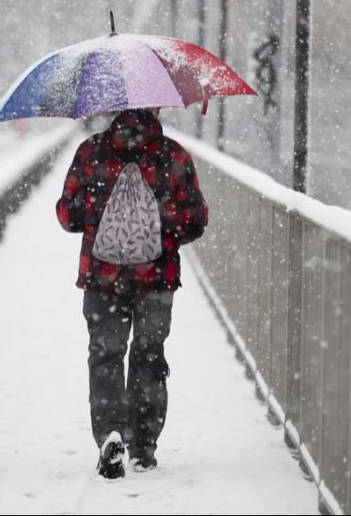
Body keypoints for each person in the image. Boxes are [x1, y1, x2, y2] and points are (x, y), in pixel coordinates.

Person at [55, 107, 208, 479]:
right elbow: (195, 221)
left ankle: (110, 432)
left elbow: (67, 216)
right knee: (149, 356)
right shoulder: (174, 155)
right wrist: (160, 225)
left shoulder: (91, 152)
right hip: (156, 278)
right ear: (156, 106)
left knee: (106, 356)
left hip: (102, 279)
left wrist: (101, 214)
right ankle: (142, 446)